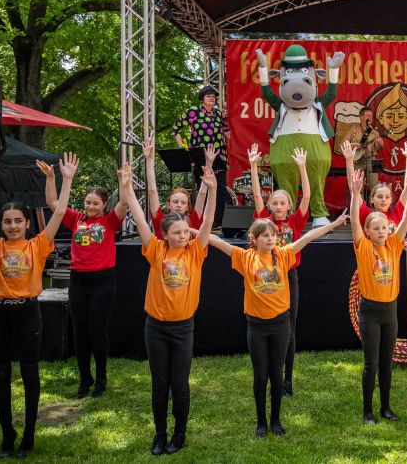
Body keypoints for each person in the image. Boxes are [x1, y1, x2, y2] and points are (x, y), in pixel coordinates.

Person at [0, 154, 76, 459]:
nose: (13, 225)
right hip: (0, 313)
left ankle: (28, 435)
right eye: (7, 221)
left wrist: (65, 179)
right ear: (1, 225)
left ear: (27, 224)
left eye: (18, 221)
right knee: (0, 375)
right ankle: (7, 435)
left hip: (29, 312)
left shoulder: (38, 244)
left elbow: (59, 213)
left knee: (30, 374)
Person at [206, 213, 347, 437]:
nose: (271, 239)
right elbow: (216, 241)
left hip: (281, 325)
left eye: (273, 235)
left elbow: (309, 236)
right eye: (265, 236)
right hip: (257, 327)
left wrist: (337, 224)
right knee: (260, 375)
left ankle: (275, 419)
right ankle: (261, 421)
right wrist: (191, 231)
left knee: (276, 374)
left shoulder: (283, 254)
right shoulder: (245, 257)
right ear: (254, 238)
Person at [118, 160, 217, 455]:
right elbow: (138, 215)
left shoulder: (196, 251)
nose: (183, 236)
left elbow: (209, 223)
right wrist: (126, 188)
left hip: (183, 328)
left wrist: (211, 191)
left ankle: (180, 433)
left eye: (186, 232)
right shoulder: (156, 248)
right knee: (159, 383)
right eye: (177, 233)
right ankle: (159, 434)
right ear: (165, 235)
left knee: (180, 382)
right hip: (156, 328)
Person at [38, 159, 128, 399]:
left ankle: (101, 377)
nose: (90, 206)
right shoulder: (76, 219)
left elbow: (124, 203)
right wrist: (51, 178)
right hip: (78, 281)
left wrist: (123, 182)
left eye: (95, 203)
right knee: (80, 330)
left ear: (104, 204)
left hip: (103, 282)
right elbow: (53, 203)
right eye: (88, 202)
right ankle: (84, 378)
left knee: (98, 330)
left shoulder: (109, 221)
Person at [349, 169, 407, 424]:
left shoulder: (393, 245)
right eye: (375, 229)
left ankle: (386, 407)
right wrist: (355, 194)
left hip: (390, 312)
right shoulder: (364, 248)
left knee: (387, 362)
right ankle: (368, 410)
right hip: (370, 312)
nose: (381, 232)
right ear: (368, 232)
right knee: (371, 364)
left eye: (384, 228)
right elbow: (355, 221)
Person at [248, 143, 310, 396]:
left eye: (282, 202)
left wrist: (302, 167)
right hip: (267, 278)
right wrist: (253, 166)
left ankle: (287, 380)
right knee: (271, 326)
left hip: (289, 276)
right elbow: (256, 195)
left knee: (290, 328)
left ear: (288, 205)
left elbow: (306, 197)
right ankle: (270, 373)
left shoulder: (295, 221)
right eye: (274, 201)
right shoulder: (265, 222)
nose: (277, 205)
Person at [170, 85, 230, 227]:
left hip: (218, 155)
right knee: (203, 187)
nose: (212, 98)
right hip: (200, 155)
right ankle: (203, 223)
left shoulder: (219, 114)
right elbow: (175, 128)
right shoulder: (193, 112)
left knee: (220, 188)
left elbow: (227, 132)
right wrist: (181, 146)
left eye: (214, 96)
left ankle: (219, 223)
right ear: (202, 99)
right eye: (208, 95)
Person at [143, 136, 212, 239]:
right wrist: (149, 159)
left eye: (183, 203)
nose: (179, 205)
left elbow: (202, 194)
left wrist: (209, 163)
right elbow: (152, 191)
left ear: (187, 207)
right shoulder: (160, 221)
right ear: (168, 205)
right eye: (175, 202)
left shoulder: (193, 220)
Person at [342, 139, 407, 230]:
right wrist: (349, 160)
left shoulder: (396, 213)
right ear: (371, 199)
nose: (384, 200)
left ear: (391, 200)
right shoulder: (366, 214)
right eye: (380, 196)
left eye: (387, 197)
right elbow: (353, 190)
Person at [339, 107, 383, 189]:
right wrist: (352, 146)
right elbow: (342, 145)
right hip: (356, 160)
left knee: (376, 187)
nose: (370, 117)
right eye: (368, 115)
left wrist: (380, 144)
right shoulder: (353, 129)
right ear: (361, 117)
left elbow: (380, 149)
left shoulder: (375, 132)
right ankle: (359, 202)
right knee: (357, 187)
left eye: (371, 115)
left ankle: (375, 201)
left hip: (373, 159)